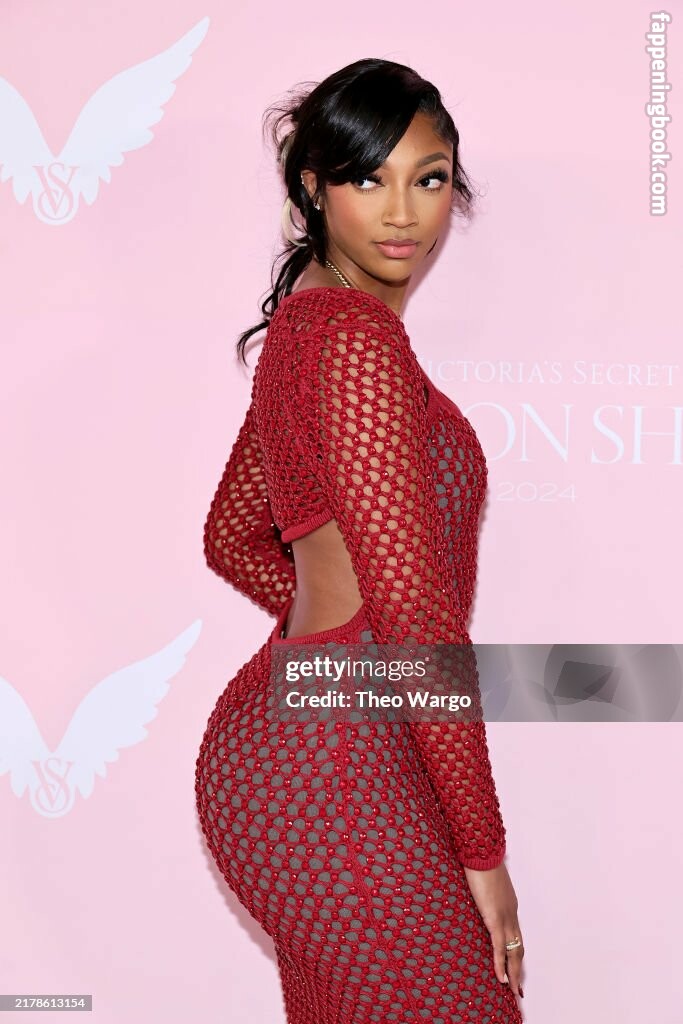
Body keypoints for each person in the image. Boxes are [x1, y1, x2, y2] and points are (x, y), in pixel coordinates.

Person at [195, 57, 525, 1023]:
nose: (402, 212)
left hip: (299, 749)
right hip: (333, 771)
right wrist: (484, 855)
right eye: (367, 178)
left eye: (428, 178)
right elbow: (416, 616)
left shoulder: (306, 327)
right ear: (314, 187)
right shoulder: (353, 340)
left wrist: (343, 664)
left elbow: (231, 537)